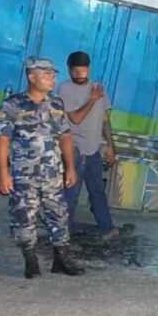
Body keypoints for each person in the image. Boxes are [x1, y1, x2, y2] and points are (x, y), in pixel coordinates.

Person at [0, 57, 83, 279]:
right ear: (31, 77)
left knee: (59, 215)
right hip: (25, 175)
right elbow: (2, 141)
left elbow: (65, 137)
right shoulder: (12, 105)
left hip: (52, 173)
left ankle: (61, 259)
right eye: (46, 74)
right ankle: (30, 260)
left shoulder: (56, 105)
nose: (52, 78)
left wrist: (70, 167)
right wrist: (2, 173)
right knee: (24, 217)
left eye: (53, 74)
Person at [57, 51, 118, 240]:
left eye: (82, 70)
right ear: (69, 71)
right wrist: (92, 99)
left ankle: (106, 229)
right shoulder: (64, 89)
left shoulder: (98, 87)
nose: (78, 74)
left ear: (88, 69)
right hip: (74, 150)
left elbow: (105, 120)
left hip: (93, 150)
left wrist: (110, 145)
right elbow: (75, 118)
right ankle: (61, 234)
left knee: (97, 192)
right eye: (75, 71)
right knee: (70, 194)